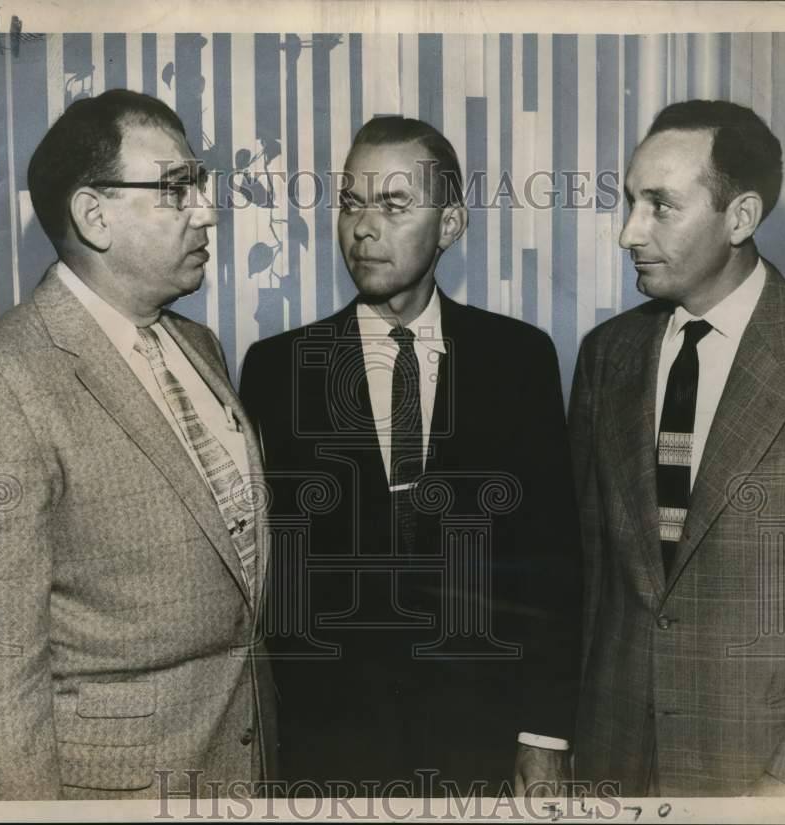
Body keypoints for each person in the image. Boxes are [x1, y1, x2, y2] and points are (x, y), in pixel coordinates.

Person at [0, 89, 276, 800]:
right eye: (177, 188)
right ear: (94, 215)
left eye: (200, 185)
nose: (207, 209)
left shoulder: (199, 346)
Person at [239, 116, 581, 796]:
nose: (362, 228)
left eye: (394, 205)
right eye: (350, 201)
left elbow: (552, 560)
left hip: (480, 740)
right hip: (328, 747)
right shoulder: (276, 369)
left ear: (450, 223)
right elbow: (270, 577)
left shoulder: (518, 359)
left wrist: (544, 735)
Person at [570, 99, 785, 797]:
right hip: (614, 763)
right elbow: (588, 574)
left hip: (763, 771)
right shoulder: (607, 355)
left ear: (741, 217)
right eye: (630, 200)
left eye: (660, 205)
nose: (629, 231)